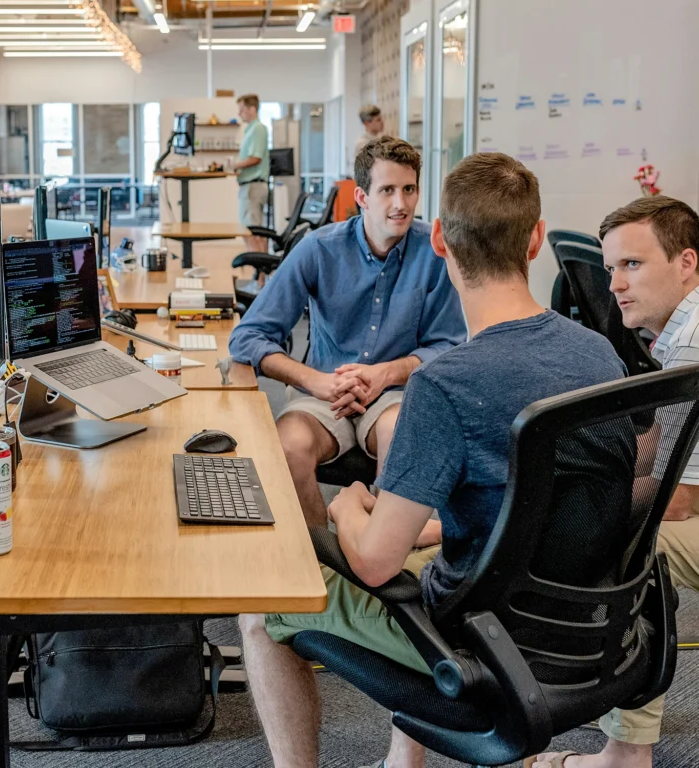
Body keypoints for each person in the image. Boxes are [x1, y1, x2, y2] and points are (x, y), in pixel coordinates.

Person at [238, 152, 630, 768]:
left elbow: (371, 563)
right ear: (534, 240)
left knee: (259, 609)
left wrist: (348, 504)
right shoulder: (600, 354)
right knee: (419, 542)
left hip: (478, 643)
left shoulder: (445, 386)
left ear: (441, 240)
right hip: (589, 630)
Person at [532, 196, 699, 768]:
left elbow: (676, 500)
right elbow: (658, 448)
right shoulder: (680, 332)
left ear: (686, 263)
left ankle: (626, 754)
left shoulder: (691, 343)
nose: (614, 285)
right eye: (610, 269)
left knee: (634, 550)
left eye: (633, 265)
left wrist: (545, 514)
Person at [229, 136, 466, 529]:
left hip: (394, 395)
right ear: (362, 196)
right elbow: (248, 336)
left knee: (401, 436)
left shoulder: (435, 252)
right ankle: (324, 559)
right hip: (324, 393)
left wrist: (386, 374)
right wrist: (315, 381)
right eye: (387, 190)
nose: (401, 204)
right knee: (288, 446)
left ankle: (378, 556)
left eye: (409, 190)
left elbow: (450, 346)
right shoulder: (318, 249)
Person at [234, 94, 270, 252]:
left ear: (252, 109)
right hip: (249, 186)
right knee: (252, 231)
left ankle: (260, 275)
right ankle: (260, 273)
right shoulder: (250, 130)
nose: (239, 113)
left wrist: (235, 165)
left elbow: (255, 157)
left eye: (242, 110)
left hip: (253, 187)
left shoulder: (257, 129)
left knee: (252, 233)